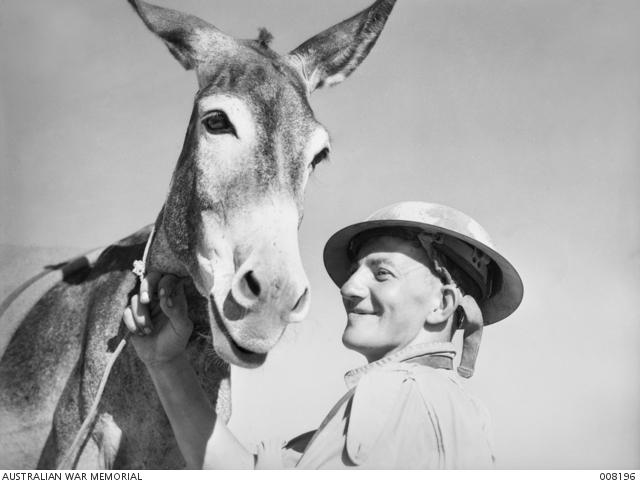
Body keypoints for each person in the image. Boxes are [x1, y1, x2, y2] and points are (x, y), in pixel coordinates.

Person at [123, 201, 524, 469]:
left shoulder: (397, 394)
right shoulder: (453, 409)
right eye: (355, 271)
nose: (348, 288)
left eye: (382, 273)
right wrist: (166, 362)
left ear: (441, 305)